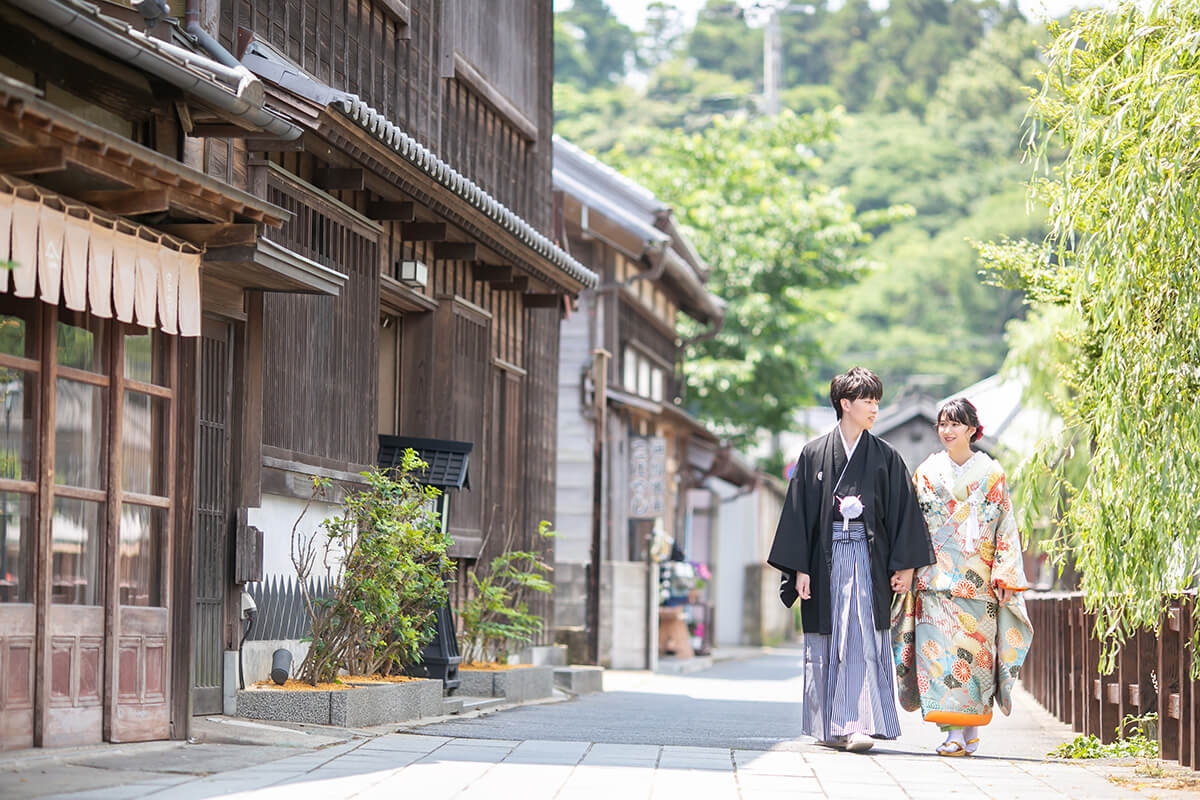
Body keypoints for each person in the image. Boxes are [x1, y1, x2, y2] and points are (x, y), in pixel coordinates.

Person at [768, 367, 934, 752]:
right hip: (824, 562)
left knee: (860, 637)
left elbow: (903, 513)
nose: (875, 408)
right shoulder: (813, 454)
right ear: (845, 404)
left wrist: (906, 567)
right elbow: (799, 515)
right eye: (868, 401)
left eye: (877, 401)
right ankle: (830, 726)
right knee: (828, 640)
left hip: (866, 561)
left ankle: (858, 723)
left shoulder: (885, 457)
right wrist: (800, 570)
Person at [892, 397, 1034, 757]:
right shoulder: (925, 473)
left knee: (972, 663)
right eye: (942, 424)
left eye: (955, 424)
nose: (947, 431)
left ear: (972, 429)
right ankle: (954, 733)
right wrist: (907, 568)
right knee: (938, 660)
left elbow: (1005, 527)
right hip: (935, 581)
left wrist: (1005, 574)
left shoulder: (992, 475)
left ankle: (967, 730)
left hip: (979, 584)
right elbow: (912, 525)